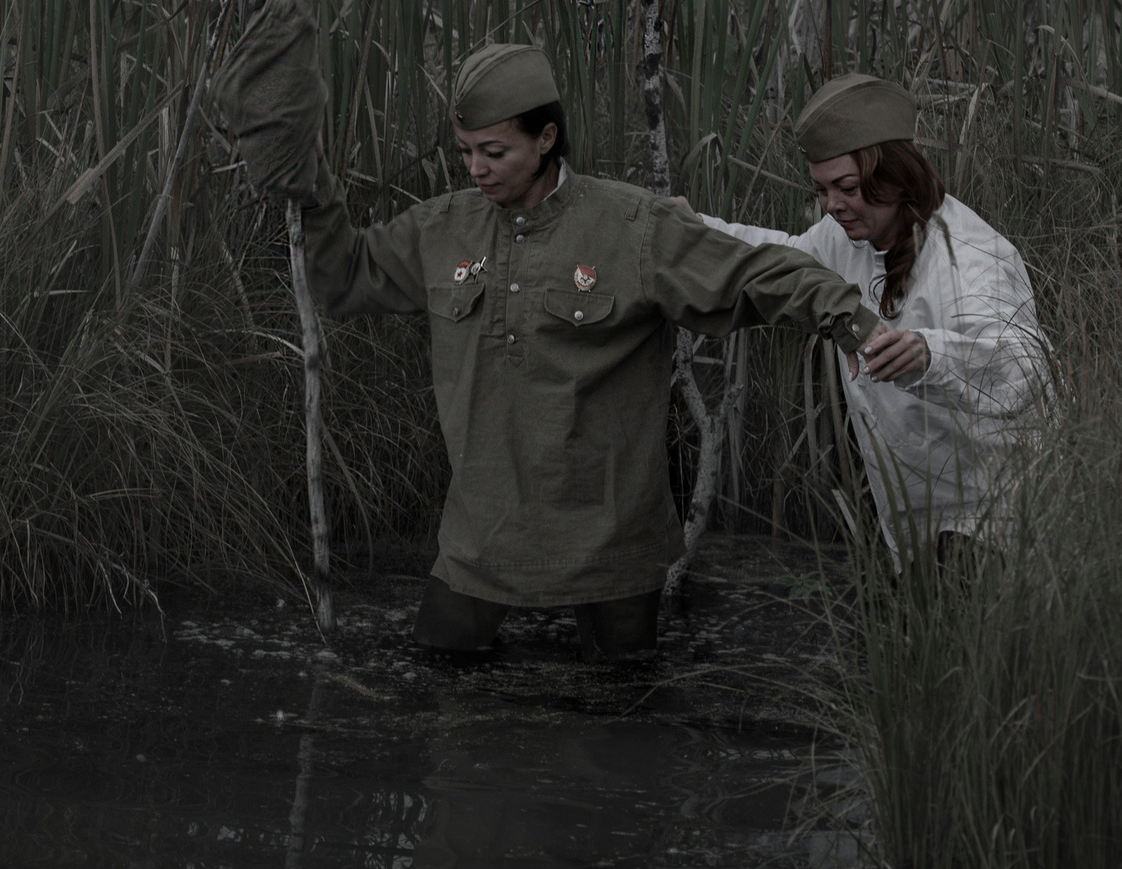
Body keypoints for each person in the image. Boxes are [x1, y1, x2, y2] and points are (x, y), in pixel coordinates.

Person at [280, 41, 881, 663]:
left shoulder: (632, 227)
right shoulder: (441, 230)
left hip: (611, 540)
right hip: (483, 536)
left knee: (621, 714)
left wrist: (848, 319)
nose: (475, 169)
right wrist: (308, 185)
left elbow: (753, 273)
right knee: (440, 680)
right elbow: (342, 275)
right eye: (465, 152)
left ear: (545, 139)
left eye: (494, 152)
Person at [687, 74, 1050, 569]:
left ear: (894, 176)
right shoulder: (844, 240)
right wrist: (692, 231)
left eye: (847, 188)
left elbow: (1023, 369)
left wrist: (930, 354)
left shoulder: (973, 259)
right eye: (821, 190)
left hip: (993, 527)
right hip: (910, 527)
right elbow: (780, 260)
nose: (832, 205)